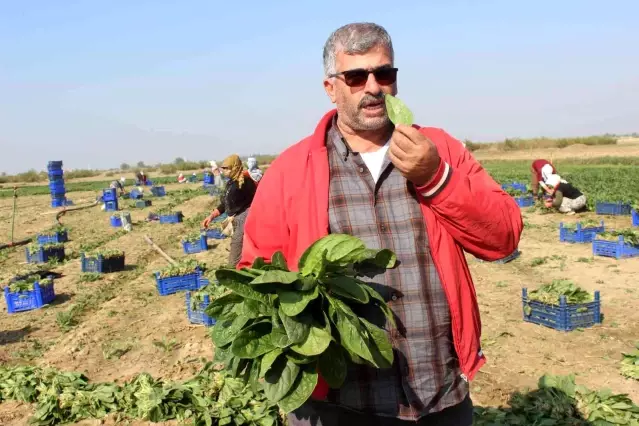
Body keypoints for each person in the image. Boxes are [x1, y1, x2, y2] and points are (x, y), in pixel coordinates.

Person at [239, 22, 523, 426]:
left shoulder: (438, 149)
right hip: (338, 403)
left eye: (384, 73)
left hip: (437, 394)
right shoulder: (289, 171)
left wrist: (436, 178)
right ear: (330, 87)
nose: (373, 87)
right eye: (356, 76)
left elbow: (503, 237)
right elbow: (258, 278)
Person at [202, 154, 257, 267]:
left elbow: (256, 199)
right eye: (223, 168)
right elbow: (225, 203)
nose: (224, 171)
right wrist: (212, 216)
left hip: (246, 215)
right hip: (236, 217)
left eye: (227, 168)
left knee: (237, 243)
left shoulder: (246, 182)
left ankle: (233, 269)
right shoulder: (231, 182)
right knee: (240, 245)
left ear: (235, 167)